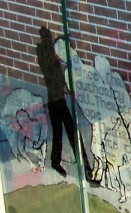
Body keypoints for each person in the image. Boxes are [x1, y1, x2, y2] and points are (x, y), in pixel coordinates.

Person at [35, 27, 92, 178]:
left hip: (57, 98)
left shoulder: (49, 57)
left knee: (62, 131)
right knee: (65, 130)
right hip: (55, 98)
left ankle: (69, 160)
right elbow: (52, 74)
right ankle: (80, 161)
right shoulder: (44, 54)